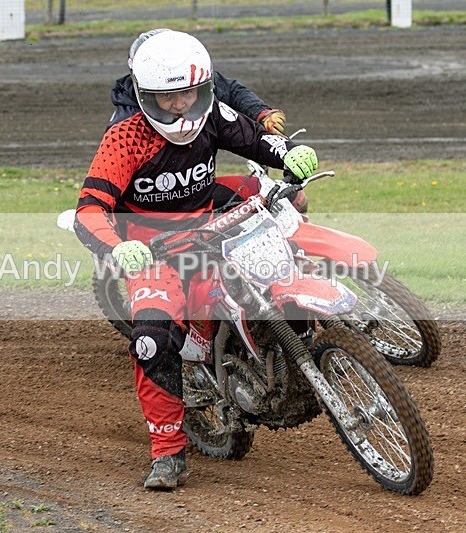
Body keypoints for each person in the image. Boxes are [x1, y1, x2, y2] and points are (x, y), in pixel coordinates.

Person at [74, 31, 318, 491]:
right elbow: (89, 209)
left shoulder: (213, 115)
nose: (182, 106)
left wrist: (291, 154)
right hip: (156, 253)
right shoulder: (124, 138)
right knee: (151, 339)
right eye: (168, 97)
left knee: (276, 256)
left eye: (190, 92)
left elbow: (258, 143)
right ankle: (167, 452)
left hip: (212, 231)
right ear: (145, 95)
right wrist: (116, 247)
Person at [109, 29, 307, 213]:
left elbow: (229, 90)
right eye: (167, 95)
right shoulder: (124, 128)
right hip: (152, 219)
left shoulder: (195, 84)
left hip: (199, 197)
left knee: (293, 197)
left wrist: (261, 113)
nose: (180, 104)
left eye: (186, 91)